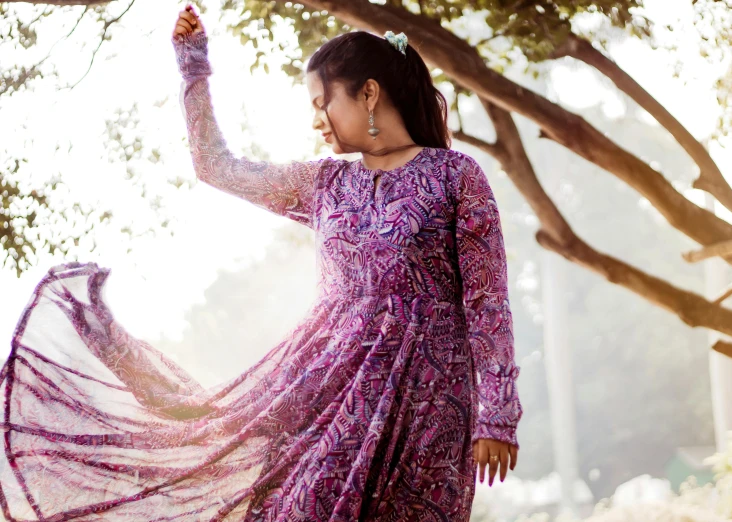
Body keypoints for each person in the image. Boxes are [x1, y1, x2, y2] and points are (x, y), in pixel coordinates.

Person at [0, 5, 522, 520]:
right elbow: (216, 166)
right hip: (328, 390)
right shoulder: (325, 185)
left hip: (431, 397)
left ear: (368, 93)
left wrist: (496, 415)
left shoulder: (457, 177)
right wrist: (194, 67)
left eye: (323, 103)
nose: (316, 119)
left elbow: (487, 301)